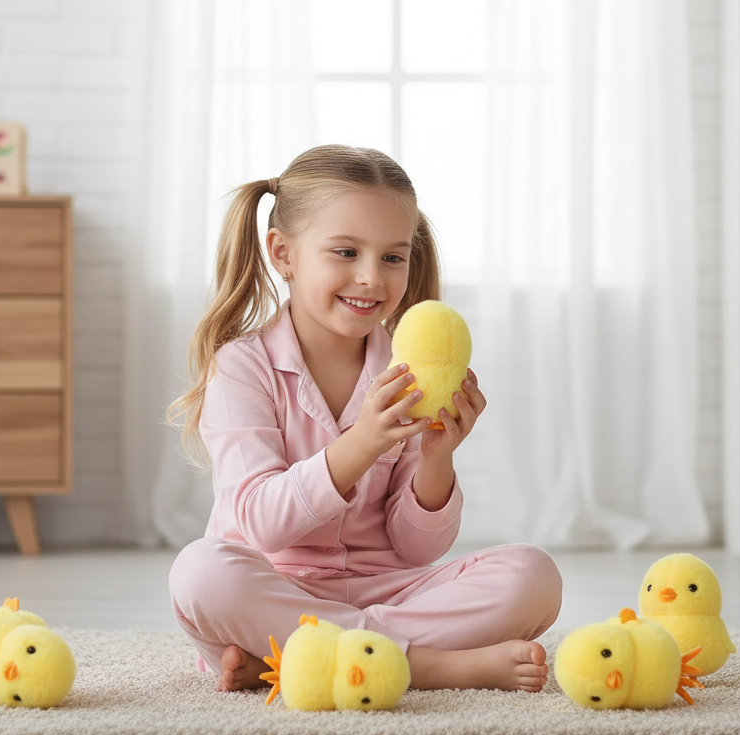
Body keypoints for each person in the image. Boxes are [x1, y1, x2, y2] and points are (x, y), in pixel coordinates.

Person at [168, 144, 561, 695]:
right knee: (201, 573)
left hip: (388, 588)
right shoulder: (241, 367)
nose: (372, 278)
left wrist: (436, 458)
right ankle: (426, 666)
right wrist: (364, 442)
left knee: (533, 575)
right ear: (283, 253)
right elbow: (260, 523)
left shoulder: (406, 373)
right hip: (278, 589)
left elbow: (418, 550)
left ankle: (307, 661)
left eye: (393, 257)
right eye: (346, 252)